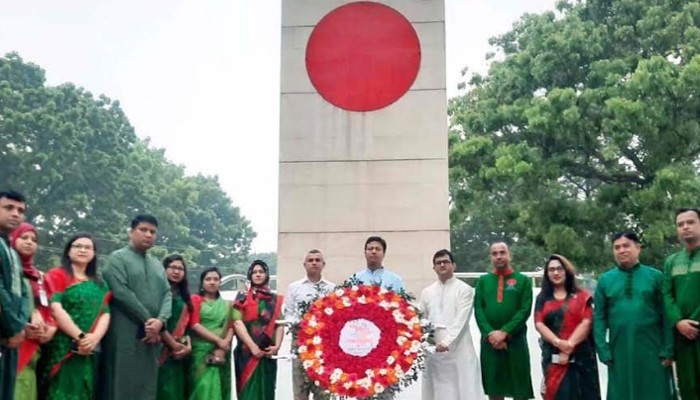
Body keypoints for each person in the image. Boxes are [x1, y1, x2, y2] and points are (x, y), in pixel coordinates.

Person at [593, 230, 675, 400]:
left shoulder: (656, 277)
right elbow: (599, 318)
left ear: (638, 248)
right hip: (619, 352)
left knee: (655, 393)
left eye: (626, 246)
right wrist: (603, 349)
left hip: (652, 351)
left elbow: (667, 316)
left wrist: (668, 350)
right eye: (617, 247)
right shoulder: (605, 280)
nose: (622, 250)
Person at [100, 215, 172, 400]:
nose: (148, 234)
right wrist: (149, 321)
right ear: (131, 232)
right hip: (125, 332)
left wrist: (160, 322)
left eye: (153, 232)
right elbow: (121, 293)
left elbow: (167, 294)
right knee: (121, 383)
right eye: (143, 230)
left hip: (152, 336)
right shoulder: (117, 259)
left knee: (147, 385)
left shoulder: (157, 264)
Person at [38, 233, 111, 400]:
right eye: (78, 246)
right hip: (62, 347)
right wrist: (80, 336)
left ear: (94, 253)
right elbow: (55, 308)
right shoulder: (57, 275)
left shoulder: (100, 284)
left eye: (88, 247)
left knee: (83, 391)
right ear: (68, 251)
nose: (83, 250)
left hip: (88, 350)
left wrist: (93, 339)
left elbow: (105, 314)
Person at [419, 249, 485, 400]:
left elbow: (461, 320)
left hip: (459, 348)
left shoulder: (465, 290)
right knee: (437, 390)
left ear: (454, 265)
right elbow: (422, 320)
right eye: (438, 263)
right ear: (434, 267)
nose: (442, 265)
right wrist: (425, 343)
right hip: (434, 350)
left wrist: (447, 342)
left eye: (446, 262)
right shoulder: (427, 292)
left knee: (464, 388)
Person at [534, 254, 600, 400]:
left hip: (582, 358)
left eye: (559, 269)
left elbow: (587, 322)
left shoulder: (582, 296)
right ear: (547, 274)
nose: (556, 273)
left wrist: (569, 345)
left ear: (567, 271)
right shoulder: (542, 298)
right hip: (553, 357)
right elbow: (539, 323)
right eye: (551, 270)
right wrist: (559, 343)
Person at [474, 242, 534, 400]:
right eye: (494, 253)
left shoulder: (523, 281)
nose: (499, 256)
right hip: (490, 343)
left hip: (515, 342)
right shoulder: (482, 281)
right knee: (494, 389)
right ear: (490, 257)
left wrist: (505, 332)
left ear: (510, 255)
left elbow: (524, 311)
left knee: (520, 389)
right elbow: (479, 310)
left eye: (502, 252)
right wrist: (490, 335)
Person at [11, 223, 57, 400]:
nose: (29, 242)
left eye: (34, 239)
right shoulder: (6, 273)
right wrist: (22, 326)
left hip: (33, 350)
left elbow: (51, 310)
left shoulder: (41, 277)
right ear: (13, 239)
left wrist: (50, 329)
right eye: (24, 237)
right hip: (10, 345)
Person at [284, 249, 335, 400]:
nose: (314, 263)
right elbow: (289, 313)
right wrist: (304, 323)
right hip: (300, 343)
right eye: (310, 260)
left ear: (323, 265)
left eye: (317, 260)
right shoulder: (294, 287)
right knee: (300, 390)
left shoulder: (331, 288)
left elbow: (336, 315)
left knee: (324, 392)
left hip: (325, 347)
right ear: (304, 264)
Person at [233, 260, 284, 400]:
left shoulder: (274, 299)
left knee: (267, 391)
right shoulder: (242, 296)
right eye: (254, 272)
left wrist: (277, 347)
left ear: (266, 275)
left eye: (261, 272)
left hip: (267, 353)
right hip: (246, 353)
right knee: (248, 392)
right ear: (250, 275)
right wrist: (252, 346)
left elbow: (279, 324)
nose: (258, 275)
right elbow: (237, 322)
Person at [663, 208, 700, 400]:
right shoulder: (672, 262)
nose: (685, 227)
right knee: (687, 388)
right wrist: (678, 322)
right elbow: (667, 295)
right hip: (682, 337)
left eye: (690, 222)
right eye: (680, 224)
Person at [0, 190, 31, 400]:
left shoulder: (11, 250)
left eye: (20, 210)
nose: (15, 214)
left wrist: (21, 326)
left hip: (11, 335)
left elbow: (20, 292)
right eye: (8, 208)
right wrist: (13, 327)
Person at [188, 267, 233, 400]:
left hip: (221, 352)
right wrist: (219, 341)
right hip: (200, 352)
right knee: (202, 388)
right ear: (202, 282)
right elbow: (195, 324)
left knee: (219, 387)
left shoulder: (227, 305)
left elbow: (231, 326)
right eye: (208, 279)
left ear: (220, 282)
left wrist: (223, 346)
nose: (212, 282)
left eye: (216, 279)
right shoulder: (195, 300)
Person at [157, 254, 194, 400]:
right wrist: (173, 345)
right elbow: (157, 323)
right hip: (159, 350)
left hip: (180, 354)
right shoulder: (157, 294)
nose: (176, 271)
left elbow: (188, 327)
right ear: (164, 269)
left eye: (180, 268)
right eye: (172, 267)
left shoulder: (185, 297)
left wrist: (188, 347)